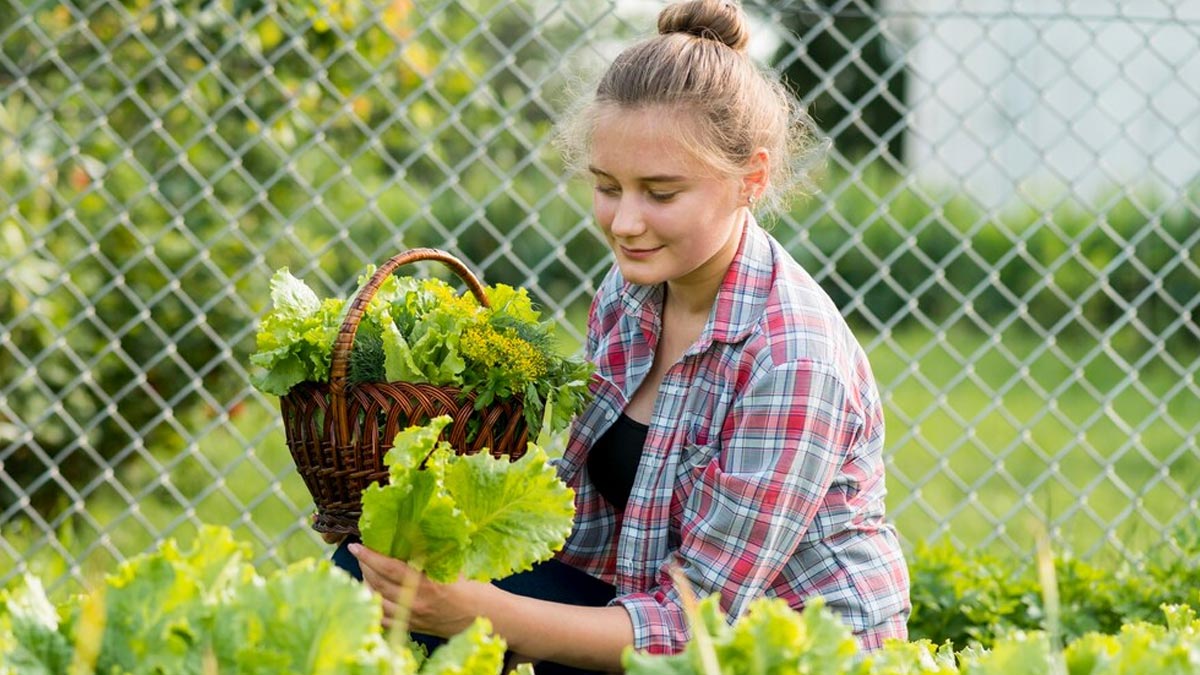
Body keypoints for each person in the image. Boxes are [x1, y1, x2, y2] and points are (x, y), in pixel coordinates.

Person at [333, 0, 910, 671]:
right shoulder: (631, 293)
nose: (626, 223)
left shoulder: (792, 358)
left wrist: (483, 613)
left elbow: (698, 629)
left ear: (750, 178)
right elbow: (580, 518)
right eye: (607, 186)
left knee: (441, 608)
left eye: (661, 193)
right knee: (372, 569)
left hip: (781, 653)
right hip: (640, 608)